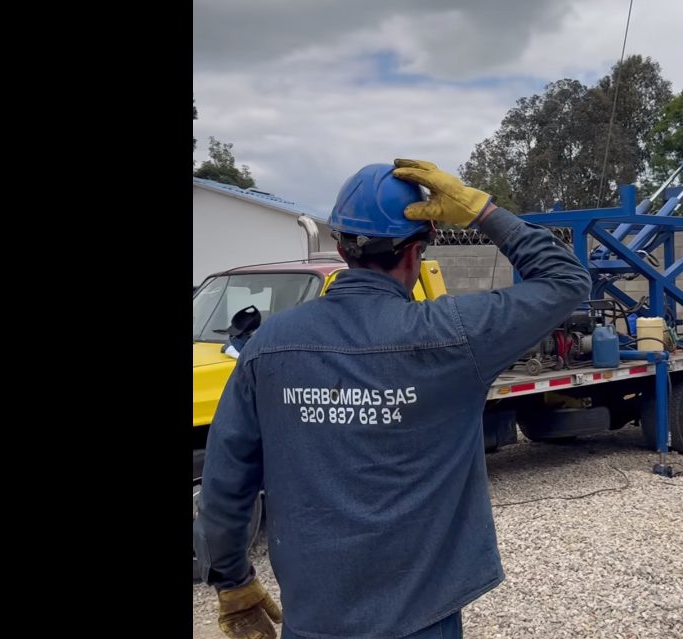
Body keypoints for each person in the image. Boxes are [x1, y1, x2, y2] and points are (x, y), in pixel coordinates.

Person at [193, 159, 591, 639]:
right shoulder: (453, 336)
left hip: (314, 619)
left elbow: (225, 478)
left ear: (340, 247)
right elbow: (566, 281)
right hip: (422, 618)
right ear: (415, 252)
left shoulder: (268, 345)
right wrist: (482, 210)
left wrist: (232, 582)